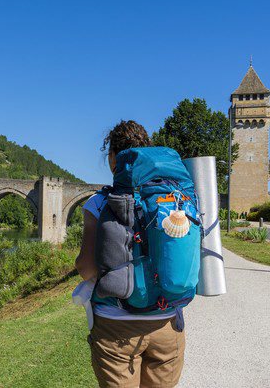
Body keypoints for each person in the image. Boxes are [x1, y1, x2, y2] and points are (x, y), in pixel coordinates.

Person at [76, 120, 185, 388]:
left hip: (115, 329)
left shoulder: (99, 202)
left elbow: (87, 269)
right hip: (166, 325)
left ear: (113, 158)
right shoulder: (175, 197)